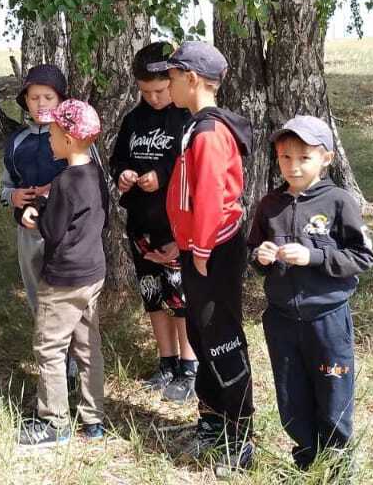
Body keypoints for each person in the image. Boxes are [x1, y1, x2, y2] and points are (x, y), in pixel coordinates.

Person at [149, 42, 256, 475]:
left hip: (214, 250)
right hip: (197, 247)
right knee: (201, 331)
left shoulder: (210, 132)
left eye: (171, 76)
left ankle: (241, 436)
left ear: (191, 79)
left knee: (222, 338)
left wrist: (203, 248)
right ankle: (212, 420)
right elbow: (190, 197)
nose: (167, 84)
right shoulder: (197, 126)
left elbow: (212, 196)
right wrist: (184, 241)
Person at [249, 116, 373, 473]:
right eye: (286, 157)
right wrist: (261, 257)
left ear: (327, 159)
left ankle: (336, 468)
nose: (294, 166)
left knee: (333, 394)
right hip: (282, 320)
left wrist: (314, 256)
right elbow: (253, 249)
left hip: (326, 319)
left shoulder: (338, 202)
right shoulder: (269, 204)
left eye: (304, 157)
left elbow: (362, 256)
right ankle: (306, 461)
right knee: (292, 397)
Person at [15, 99, 109, 447]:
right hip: (93, 273)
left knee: (50, 348)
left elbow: (53, 231)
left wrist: (34, 215)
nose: (49, 138)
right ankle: (93, 419)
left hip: (63, 279)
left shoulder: (66, 181)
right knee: (88, 346)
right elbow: (101, 219)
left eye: (53, 132)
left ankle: (55, 423)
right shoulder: (96, 174)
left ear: (69, 138)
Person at [109, 42, 197, 402]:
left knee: (180, 298)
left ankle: (190, 366)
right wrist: (125, 174)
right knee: (152, 295)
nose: (155, 97)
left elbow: (188, 167)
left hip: (174, 226)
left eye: (161, 90)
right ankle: (167, 361)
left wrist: (161, 176)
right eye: (146, 91)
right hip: (141, 223)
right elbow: (118, 160)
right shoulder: (133, 119)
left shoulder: (185, 118)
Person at [0, 64, 69, 312]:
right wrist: (14, 196)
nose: (41, 104)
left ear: (61, 100)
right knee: (37, 295)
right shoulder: (17, 142)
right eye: (34, 98)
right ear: (25, 102)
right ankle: (47, 343)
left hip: (67, 230)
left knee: (67, 296)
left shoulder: (73, 136)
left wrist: (54, 189)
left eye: (48, 97)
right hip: (29, 229)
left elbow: (91, 178)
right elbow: (5, 187)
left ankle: (73, 349)